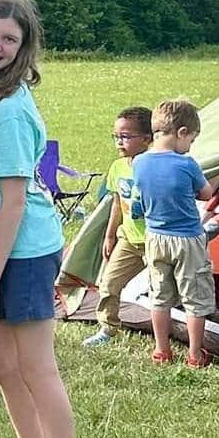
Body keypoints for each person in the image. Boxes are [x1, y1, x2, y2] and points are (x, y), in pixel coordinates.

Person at [0, 0, 110, 438]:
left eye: (10, 38)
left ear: (24, 49)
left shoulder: (9, 109)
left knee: (37, 368)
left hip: (22, 249)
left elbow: (16, 199)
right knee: (2, 363)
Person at [131, 98, 215, 368]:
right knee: (195, 298)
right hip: (187, 239)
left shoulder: (139, 163)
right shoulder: (187, 163)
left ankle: (161, 350)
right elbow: (206, 193)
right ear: (181, 133)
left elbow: (138, 200)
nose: (190, 146)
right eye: (191, 139)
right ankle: (195, 353)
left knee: (159, 295)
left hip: (155, 238)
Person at [85, 106, 153, 347]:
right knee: (109, 284)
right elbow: (116, 202)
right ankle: (107, 328)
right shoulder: (118, 167)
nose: (119, 142)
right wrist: (110, 234)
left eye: (125, 136)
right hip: (127, 238)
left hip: (154, 240)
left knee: (164, 289)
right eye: (116, 136)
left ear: (147, 139)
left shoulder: (155, 166)